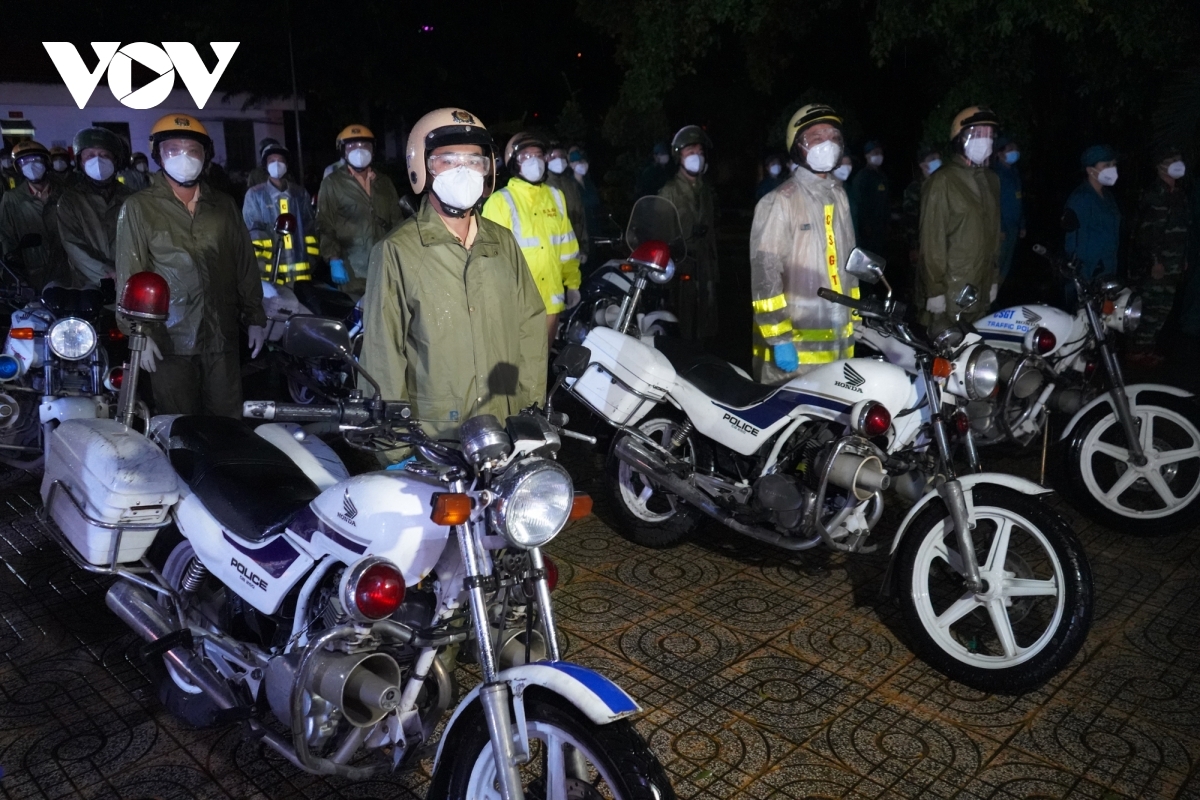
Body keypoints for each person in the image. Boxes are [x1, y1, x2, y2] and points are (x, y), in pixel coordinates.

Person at [361, 108, 546, 446]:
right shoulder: (397, 251)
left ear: (488, 169)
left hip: (506, 431)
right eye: (448, 160)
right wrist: (395, 446)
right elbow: (382, 354)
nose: (464, 170)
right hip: (437, 439)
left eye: (474, 161)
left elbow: (530, 327)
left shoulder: (502, 242)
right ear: (423, 167)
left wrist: (529, 412)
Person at [114, 113, 266, 418]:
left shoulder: (223, 206)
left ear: (205, 155)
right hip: (169, 341)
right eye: (173, 150)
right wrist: (138, 334)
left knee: (227, 422)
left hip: (221, 336)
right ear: (158, 155)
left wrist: (255, 317)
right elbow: (130, 276)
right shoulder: (139, 208)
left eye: (192, 150)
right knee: (179, 424)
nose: (183, 157)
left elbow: (244, 264)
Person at [750, 103, 858, 381]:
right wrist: (778, 337)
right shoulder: (779, 201)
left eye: (833, 137)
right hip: (792, 358)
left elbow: (849, 264)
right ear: (798, 146)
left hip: (838, 349)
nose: (827, 143)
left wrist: (856, 318)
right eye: (816, 137)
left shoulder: (839, 196)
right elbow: (765, 275)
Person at [482, 131, 581, 346]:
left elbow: (567, 247)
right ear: (514, 163)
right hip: (517, 307)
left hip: (551, 304)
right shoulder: (499, 202)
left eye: (538, 155)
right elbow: (488, 261)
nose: (534, 161)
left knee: (543, 362)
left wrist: (573, 284)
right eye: (526, 156)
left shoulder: (556, 196)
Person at [918, 106, 1002, 329]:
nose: (985, 140)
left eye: (989, 134)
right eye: (978, 133)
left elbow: (994, 234)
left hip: (981, 284)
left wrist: (993, 278)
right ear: (960, 139)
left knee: (978, 344)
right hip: (952, 289)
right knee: (948, 345)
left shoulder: (991, 180)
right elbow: (932, 241)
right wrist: (935, 290)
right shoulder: (943, 181)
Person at [316, 124, 404, 296]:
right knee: (356, 311)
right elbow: (324, 224)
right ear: (343, 151)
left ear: (373, 150)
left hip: (385, 266)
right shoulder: (332, 183)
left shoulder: (384, 182)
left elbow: (397, 221)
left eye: (365, 145)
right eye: (352, 146)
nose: (359, 150)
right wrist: (334, 259)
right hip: (352, 269)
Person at [1128, 147, 1190, 366]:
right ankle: (1136, 350)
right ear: (1160, 167)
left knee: (1163, 308)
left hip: (1173, 262)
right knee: (1149, 307)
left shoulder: (1179, 194)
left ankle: (1147, 348)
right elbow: (1147, 232)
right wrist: (1155, 261)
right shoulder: (1154, 194)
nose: (1178, 164)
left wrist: (1182, 258)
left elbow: (1182, 229)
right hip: (1156, 264)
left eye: (1179, 160)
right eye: (1172, 161)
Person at [658, 125, 719, 341]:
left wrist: (713, 269)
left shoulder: (705, 190)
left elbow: (711, 232)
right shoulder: (669, 192)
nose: (697, 157)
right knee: (681, 320)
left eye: (700, 152)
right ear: (679, 157)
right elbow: (661, 235)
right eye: (690, 152)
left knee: (706, 318)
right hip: (681, 265)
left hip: (704, 264)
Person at [56, 127, 134, 288]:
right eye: (90, 156)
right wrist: (108, 273)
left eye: (104, 155)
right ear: (80, 161)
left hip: (130, 281)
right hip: (90, 285)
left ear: (116, 160)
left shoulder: (132, 198)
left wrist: (128, 272)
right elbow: (73, 245)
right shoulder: (70, 200)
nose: (98, 161)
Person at [243, 141, 318, 284]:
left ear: (287, 165)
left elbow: (310, 230)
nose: (276, 164)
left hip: (301, 275)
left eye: (280, 160)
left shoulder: (300, 193)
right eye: (272, 160)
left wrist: (312, 261)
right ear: (265, 165)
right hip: (271, 276)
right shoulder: (255, 195)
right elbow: (253, 235)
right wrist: (262, 268)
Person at [0, 140, 67, 290]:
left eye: (36, 160)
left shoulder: (65, 194)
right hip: (32, 275)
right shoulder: (12, 199)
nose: (31, 166)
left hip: (66, 272)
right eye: (24, 162)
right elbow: (6, 237)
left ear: (46, 162)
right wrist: (14, 274)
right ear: (18, 167)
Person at [1063, 145, 1121, 285]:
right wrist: (1080, 276)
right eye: (1106, 165)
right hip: (1089, 271)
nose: (1112, 169)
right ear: (1090, 170)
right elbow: (1073, 241)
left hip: (1107, 267)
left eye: (1113, 164)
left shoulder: (1108, 197)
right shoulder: (1081, 198)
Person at [546, 141, 588, 266]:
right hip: (553, 254)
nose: (558, 160)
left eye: (561, 156)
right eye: (554, 157)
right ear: (546, 158)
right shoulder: (541, 186)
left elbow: (581, 218)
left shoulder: (571, 185)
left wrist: (584, 248)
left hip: (574, 252)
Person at [991, 135, 1026, 285]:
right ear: (999, 153)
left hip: (1013, 227)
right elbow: (993, 204)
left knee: (1006, 267)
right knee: (996, 266)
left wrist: (1022, 224)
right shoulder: (995, 175)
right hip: (1002, 230)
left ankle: (996, 292)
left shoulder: (1014, 173)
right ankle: (989, 295)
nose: (1015, 152)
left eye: (1015, 149)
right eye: (1010, 149)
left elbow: (1019, 199)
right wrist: (1000, 228)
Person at [903, 145, 941, 276]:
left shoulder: (942, 184)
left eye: (938, 158)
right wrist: (913, 247)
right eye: (932, 158)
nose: (937, 161)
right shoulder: (914, 189)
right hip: (921, 245)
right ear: (922, 165)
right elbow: (910, 220)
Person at [848, 140, 889, 256]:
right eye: (875, 153)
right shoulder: (861, 178)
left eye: (880, 153)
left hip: (881, 229)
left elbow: (885, 201)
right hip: (867, 231)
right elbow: (858, 204)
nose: (879, 155)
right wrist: (865, 226)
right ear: (867, 155)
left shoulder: (882, 176)